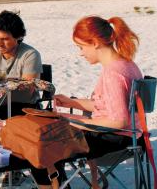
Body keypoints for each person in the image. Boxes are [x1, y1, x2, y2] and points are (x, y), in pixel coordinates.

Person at [52, 15, 143, 189]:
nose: (81, 53)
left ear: (95, 43)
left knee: (47, 141)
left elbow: (118, 121)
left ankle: (58, 185)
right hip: (131, 136)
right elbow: (108, 106)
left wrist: (75, 122)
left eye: (81, 47)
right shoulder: (126, 64)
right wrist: (72, 103)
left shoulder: (113, 73)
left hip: (115, 139)